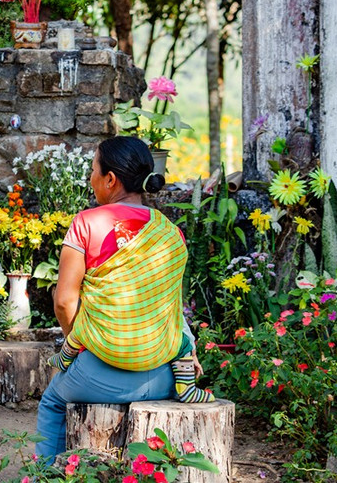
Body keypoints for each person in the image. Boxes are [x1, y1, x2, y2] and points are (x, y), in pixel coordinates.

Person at [36, 136, 211, 460]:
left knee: (52, 401)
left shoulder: (86, 223)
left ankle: (44, 476)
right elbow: (173, 308)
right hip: (163, 377)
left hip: (97, 374)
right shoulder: (171, 232)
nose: (90, 179)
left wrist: (80, 346)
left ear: (111, 179)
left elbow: (63, 302)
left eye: (93, 170)